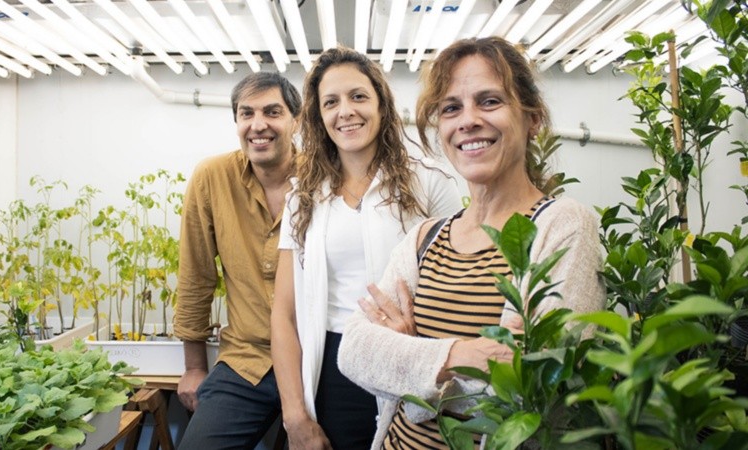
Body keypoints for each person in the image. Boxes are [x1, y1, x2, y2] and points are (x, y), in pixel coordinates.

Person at [337, 37, 606, 449]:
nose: (468, 121)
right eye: (451, 108)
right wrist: (458, 357)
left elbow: (532, 386)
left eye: (490, 101)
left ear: (531, 118)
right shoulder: (425, 237)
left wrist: (410, 361)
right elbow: (354, 350)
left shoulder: (563, 224)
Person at [271, 47, 462, 450]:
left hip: (412, 356)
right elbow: (284, 314)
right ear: (318, 116)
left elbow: (459, 288)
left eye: (358, 96)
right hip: (333, 370)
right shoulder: (302, 198)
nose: (346, 111)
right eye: (331, 102)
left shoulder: (430, 182)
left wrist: (419, 345)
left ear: (381, 103)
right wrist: (294, 417)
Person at [174, 72, 302, 449]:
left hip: (316, 361)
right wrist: (194, 367)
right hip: (247, 361)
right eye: (246, 114)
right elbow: (196, 273)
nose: (258, 125)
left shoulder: (323, 178)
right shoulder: (212, 178)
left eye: (272, 112)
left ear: (296, 119)